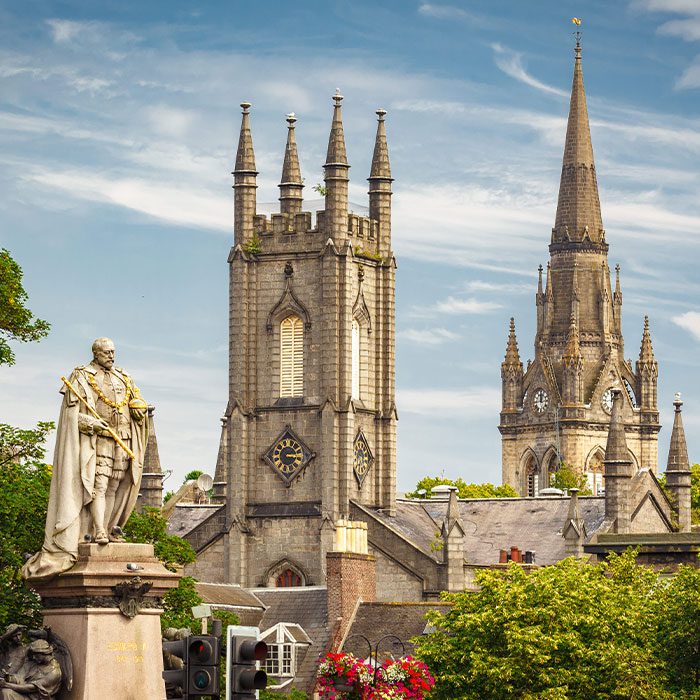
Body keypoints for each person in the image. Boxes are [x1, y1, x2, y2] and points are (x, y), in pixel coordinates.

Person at [22, 338, 148, 581]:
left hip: (123, 438)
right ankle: (98, 531)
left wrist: (139, 413)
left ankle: (108, 528)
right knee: (98, 486)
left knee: (114, 486)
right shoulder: (81, 377)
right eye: (106, 352)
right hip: (96, 442)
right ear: (96, 353)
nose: (111, 356)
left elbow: (138, 406)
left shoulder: (125, 377)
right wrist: (92, 424)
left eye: (113, 352)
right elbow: (73, 418)